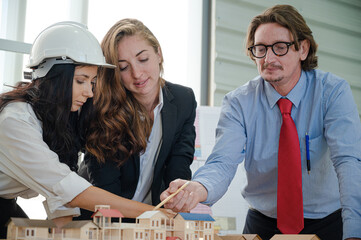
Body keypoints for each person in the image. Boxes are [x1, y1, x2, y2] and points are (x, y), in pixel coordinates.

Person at [160, 4, 361, 240]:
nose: (269, 58)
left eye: (280, 47)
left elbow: (348, 163)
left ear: (303, 49)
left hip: (327, 224)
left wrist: (354, 232)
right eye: (260, 49)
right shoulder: (238, 103)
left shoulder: (332, 93)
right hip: (263, 225)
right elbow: (223, 162)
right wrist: (198, 187)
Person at [0, 21, 172, 239]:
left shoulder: (60, 118)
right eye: (81, 81)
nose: (89, 92)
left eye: (92, 82)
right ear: (55, 77)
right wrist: (153, 213)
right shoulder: (15, 121)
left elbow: (60, 191)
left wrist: (65, 232)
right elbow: (69, 190)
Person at [77, 18, 197, 221]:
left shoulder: (184, 99)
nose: (137, 73)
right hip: (98, 220)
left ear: (158, 53)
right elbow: (107, 194)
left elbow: (180, 160)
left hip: (150, 218)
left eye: (143, 59)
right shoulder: (102, 109)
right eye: (123, 67)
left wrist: (176, 195)